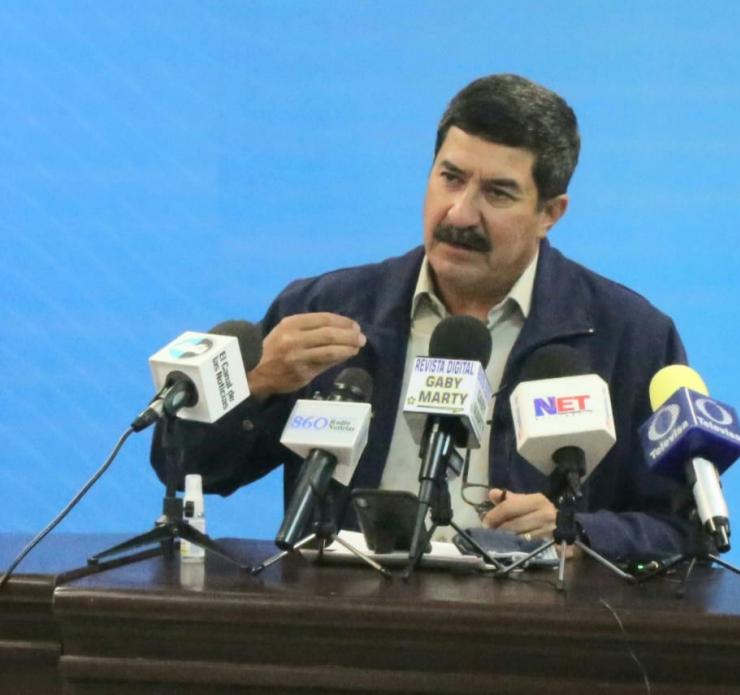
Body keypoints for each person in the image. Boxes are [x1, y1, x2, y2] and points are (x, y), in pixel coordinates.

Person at [152, 74, 691, 560]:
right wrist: (257, 387)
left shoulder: (630, 337)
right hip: (345, 611)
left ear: (550, 213)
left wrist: (580, 532)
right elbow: (188, 470)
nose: (460, 213)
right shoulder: (325, 308)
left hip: (531, 625)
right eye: (450, 178)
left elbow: (684, 530)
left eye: (497, 193)